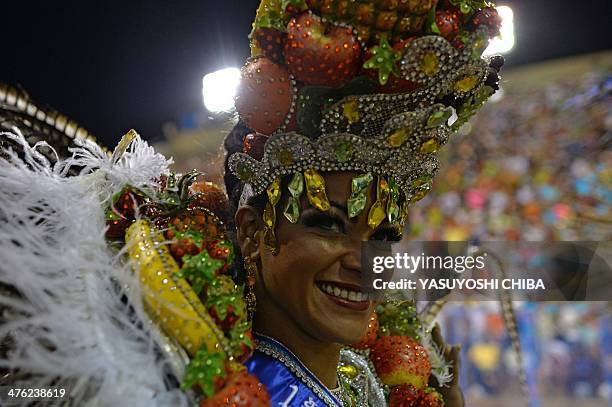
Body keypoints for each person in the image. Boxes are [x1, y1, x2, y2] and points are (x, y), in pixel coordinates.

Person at [0, 0, 505, 405]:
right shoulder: (200, 388)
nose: (362, 262)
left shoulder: (362, 376)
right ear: (249, 232)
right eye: (327, 225)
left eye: (383, 236)